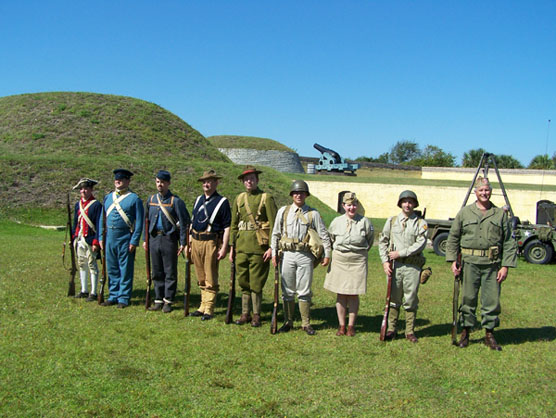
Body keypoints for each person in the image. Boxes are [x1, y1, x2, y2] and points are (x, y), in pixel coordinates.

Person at [446, 176, 517, 351]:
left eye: (487, 190)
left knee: (491, 300)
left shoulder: (500, 214)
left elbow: (508, 242)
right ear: (475, 192)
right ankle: (466, 332)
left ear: (490, 192)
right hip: (469, 263)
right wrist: (453, 260)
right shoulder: (465, 213)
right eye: (481, 191)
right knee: (468, 298)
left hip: (492, 264)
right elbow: (453, 237)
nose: (484, 193)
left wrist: (505, 266)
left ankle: (489, 334)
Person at [271, 180, 332, 335]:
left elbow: (324, 235)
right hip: (287, 255)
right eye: (296, 193)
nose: (299, 195)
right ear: (292, 195)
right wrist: (273, 253)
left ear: (306, 195)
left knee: (304, 290)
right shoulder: (283, 212)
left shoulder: (313, 214)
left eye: (302, 193)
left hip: (305, 255)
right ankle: (288, 321)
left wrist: (327, 254)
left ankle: (306, 323)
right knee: (287, 290)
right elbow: (276, 234)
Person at [229, 166, 278, 327]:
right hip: (241, 246)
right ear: (243, 182)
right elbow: (234, 224)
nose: (249, 181)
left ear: (257, 180)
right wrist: (232, 247)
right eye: (246, 179)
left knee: (256, 283)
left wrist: (272, 247)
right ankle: (245, 313)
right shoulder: (239, 199)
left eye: (252, 178)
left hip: (259, 247)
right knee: (243, 281)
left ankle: (256, 314)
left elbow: (274, 225)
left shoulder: (266, 198)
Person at [378, 190, 427, 343]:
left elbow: (420, 244)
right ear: (400, 204)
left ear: (415, 204)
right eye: (404, 201)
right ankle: (391, 329)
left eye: (410, 202)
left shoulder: (421, 223)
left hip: (412, 266)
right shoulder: (392, 221)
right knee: (393, 298)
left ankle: (409, 331)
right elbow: (383, 241)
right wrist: (385, 261)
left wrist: (401, 253)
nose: (407, 204)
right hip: (394, 266)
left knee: (410, 299)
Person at [324, 192, 374, 336]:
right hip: (340, 259)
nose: (351, 208)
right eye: (348, 205)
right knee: (340, 293)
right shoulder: (336, 222)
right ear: (343, 206)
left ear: (357, 205)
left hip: (358, 260)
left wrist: (358, 253)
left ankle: (351, 326)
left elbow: (369, 241)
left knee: (353, 293)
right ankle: (341, 325)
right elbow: (330, 238)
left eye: (354, 205)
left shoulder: (365, 222)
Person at [144, 170, 191, 313]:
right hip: (154, 238)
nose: (160, 185)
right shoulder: (151, 200)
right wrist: (145, 240)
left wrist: (183, 242)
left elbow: (184, 223)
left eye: (163, 182)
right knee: (157, 270)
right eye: (158, 182)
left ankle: (168, 300)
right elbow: (146, 221)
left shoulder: (175, 201)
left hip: (169, 239)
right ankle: (158, 299)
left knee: (169, 271)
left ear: (168, 183)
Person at [188, 169, 231, 320]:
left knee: (210, 275)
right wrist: (189, 240)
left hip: (210, 242)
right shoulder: (198, 199)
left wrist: (224, 246)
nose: (206, 184)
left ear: (216, 183)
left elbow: (227, 227)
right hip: (196, 240)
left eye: (210, 181)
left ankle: (209, 308)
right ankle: (202, 305)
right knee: (200, 275)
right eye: (204, 181)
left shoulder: (222, 202)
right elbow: (192, 222)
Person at [99, 169, 144, 308]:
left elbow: (140, 222)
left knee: (125, 268)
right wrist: (101, 237)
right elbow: (102, 219)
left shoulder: (134, 199)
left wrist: (134, 241)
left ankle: (123, 297)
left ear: (128, 181)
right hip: (110, 237)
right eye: (116, 179)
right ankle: (113, 295)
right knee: (112, 268)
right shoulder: (108, 198)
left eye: (122, 179)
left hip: (125, 237)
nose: (118, 181)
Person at [71, 178, 102, 301]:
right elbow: (75, 223)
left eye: (86, 188)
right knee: (82, 264)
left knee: (92, 265)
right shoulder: (78, 205)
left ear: (91, 189)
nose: (83, 191)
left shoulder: (96, 205)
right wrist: (74, 237)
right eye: (81, 189)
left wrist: (96, 242)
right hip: (80, 239)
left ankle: (93, 292)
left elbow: (99, 225)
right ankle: (84, 290)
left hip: (90, 239)